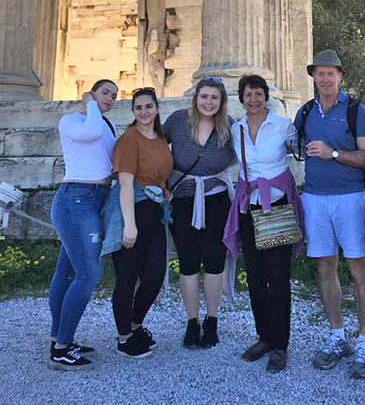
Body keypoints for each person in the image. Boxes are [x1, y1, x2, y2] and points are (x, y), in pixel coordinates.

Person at [294, 49, 365, 379]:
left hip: (350, 197)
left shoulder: (357, 111)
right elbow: (293, 146)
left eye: (331, 73)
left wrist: (334, 153)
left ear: (340, 76)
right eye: (320, 73)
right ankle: (337, 335)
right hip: (314, 198)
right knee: (324, 267)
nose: (325, 78)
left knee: (359, 268)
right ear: (313, 76)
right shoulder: (306, 112)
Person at [223, 74, 304, 373]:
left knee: (278, 276)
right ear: (241, 98)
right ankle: (265, 337)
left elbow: (301, 148)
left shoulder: (283, 125)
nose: (254, 99)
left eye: (258, 94)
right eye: (248, 94)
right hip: (248, 205)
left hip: (278, 204)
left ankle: (281, 344)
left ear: (266, 96)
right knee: (255, 275)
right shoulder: (236, 129)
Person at [49, 79, 118, 370]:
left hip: (96, 201)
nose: (111, 99)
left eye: (114, 96)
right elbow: (90, 132)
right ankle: (62, 348)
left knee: (66, 271)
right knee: (89, 274)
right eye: (105, 93)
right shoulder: (73, 120)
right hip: (75, 200)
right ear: (91, 93)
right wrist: (89, 102)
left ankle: (59, 339)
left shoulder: (107, 125)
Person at [164, 77, 235, 349]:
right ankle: (192, 322)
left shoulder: (230, 126)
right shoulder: (177, 121)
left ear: (221, 102)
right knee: (188, 261)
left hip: (216, 198)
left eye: (214, 98)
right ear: (196, 98)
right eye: (204, 97)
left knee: (215, 260)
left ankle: (212, 320)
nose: (208, 102)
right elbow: (155, 144)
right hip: (183, 198)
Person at [108, 87, 173, 358]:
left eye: (148, 106)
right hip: (131, 209)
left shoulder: (161, 138)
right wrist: (129, 225)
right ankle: (124, 338)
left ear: (156, 109)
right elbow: (125, 184)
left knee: (155, 274)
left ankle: (135, 325)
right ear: (133, 112)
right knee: (127, 276)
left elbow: (163, 175)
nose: (144, 112)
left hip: (155, 211)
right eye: (138, 108)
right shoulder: (129, 138)